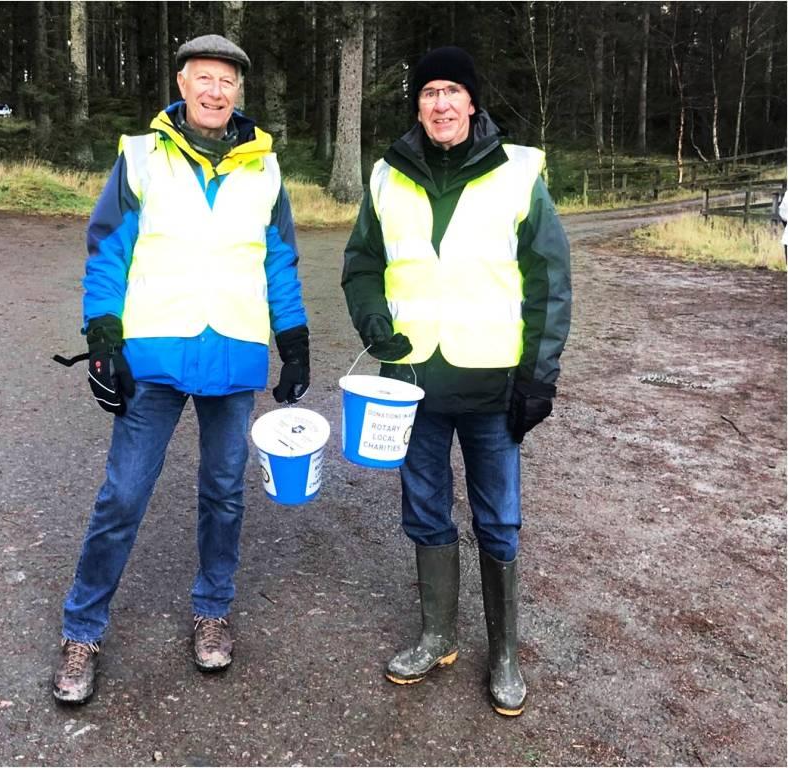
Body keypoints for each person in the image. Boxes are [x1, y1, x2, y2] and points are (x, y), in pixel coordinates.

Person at [53, 34, 310, 704]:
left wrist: (296, 337)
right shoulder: (142, 157)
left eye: (227, 82)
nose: (216, 91)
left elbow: (278, 260)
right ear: (182, 82)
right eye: (205, 79)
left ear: (239, 93)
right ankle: (82, 630)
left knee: (225, 493)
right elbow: (107, 250)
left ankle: (212, 611)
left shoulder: (266, 169)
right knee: (124, 495)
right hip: (154, 353)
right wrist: (103, 334)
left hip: (233, 352)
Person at [341, 46, 571, 717]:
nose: (441, 103)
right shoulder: (388, 175)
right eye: (429, 92)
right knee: (424, 511)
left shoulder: (519, 173)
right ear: (418, 105)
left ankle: (502, 654)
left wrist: (539, 377)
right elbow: (360, 265)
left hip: (494, 387)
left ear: (473, 102)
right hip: (409, 388)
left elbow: (549, 284)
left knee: (498, 519)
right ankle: (438, 634)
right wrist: (373, 323)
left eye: (452, 91)